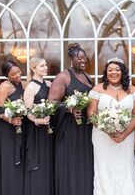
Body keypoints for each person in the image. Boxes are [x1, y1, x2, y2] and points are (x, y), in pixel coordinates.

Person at [87, 57, 135, 195]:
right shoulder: (97, 89)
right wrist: (108, 130)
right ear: (106, 72)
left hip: (126, 136)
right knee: (104, 167)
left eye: (117, 70)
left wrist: (125, 134)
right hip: (103, 136)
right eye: (110, 70)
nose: (114, 72)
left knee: (126, 166)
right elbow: (91, 113)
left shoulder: (133, 90)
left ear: (122, 72)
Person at [48, 43, 93, 195]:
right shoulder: (63, 76)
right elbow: (51, 103)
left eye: (84, 58)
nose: (82, 61)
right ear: (71, 59)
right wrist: (69, 108)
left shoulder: (87, 76)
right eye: (78, 58)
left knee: (84, 163)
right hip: (69, 129)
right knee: (71, 163)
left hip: (85, 128)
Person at [0, 61, 25, 195]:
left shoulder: (21, 84)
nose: (18, 75)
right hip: (6, 129)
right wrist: (11, 120)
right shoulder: (5, 87)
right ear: (7, 76)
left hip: (18, 127)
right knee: (8, 161)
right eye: (13, 74)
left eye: (18, 72)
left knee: (17, 161)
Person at [23, 56, 53, 195]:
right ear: (33, 68)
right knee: (39, 162)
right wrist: (37, 120)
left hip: (48, 129)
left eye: (46, 65)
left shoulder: (49, 84)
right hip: (36, 130)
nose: (45, 68)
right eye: (42, 66)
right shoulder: (31, 86)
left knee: (48, 161)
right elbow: (27, 111)